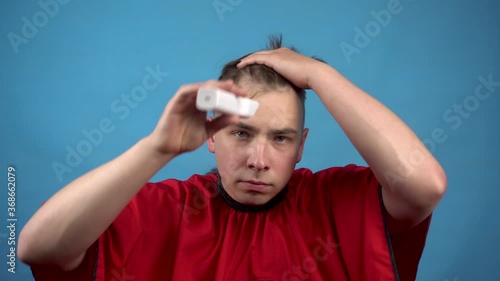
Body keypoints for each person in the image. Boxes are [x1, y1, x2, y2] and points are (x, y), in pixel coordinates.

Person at [18, 35, 447, 281]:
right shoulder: (165, 210)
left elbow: (425, 185)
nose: (258, 160)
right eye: (242, 133)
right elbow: (37, 248)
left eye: (281, 139)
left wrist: (320, 74)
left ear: (302, 146)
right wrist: (158, 147)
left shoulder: (338, 202)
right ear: (212, 135)